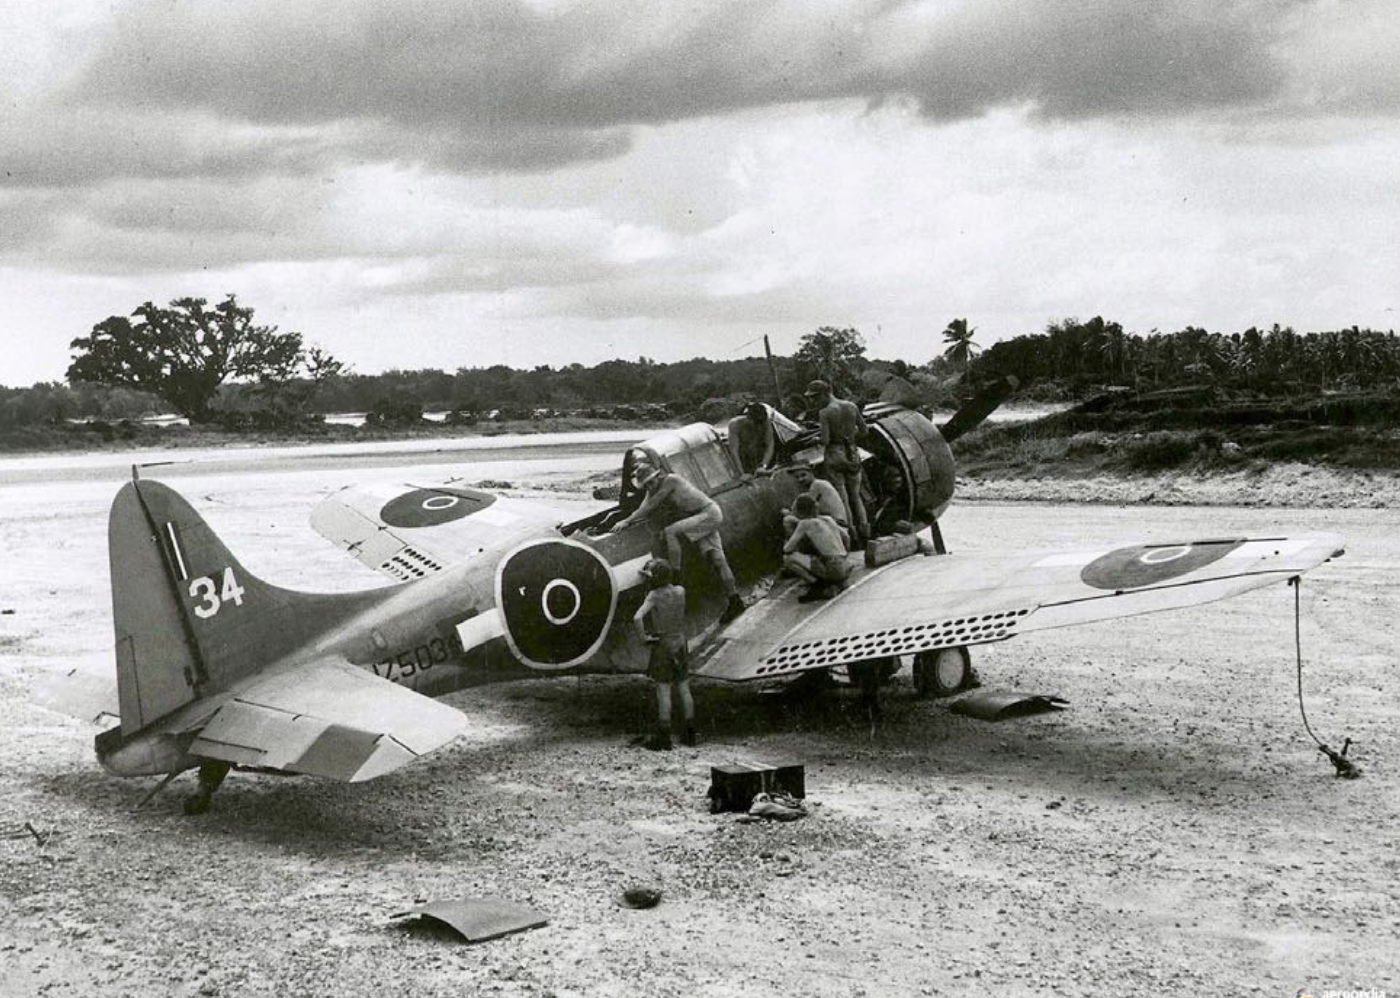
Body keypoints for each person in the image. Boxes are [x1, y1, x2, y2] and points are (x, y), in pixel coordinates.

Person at [610, 456, 746, 623]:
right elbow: (644, 507)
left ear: (657, 476)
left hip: (708, 513)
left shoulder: (671, 480)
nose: (649, 486)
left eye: (651, 482)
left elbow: (651, 505)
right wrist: (627, 520)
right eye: (646, 485)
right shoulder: (652, 489)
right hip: (699, 517)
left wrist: (626, 521)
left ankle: (675, 575)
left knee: (671, 531)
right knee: (718, 560)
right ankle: (735, 599)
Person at [632, 558, 695, 750]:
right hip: (680, 642)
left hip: (663, 644)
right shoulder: (680, 591)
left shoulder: (654, 595)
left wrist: (643, 638)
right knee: (684, 688)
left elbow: (637, 617)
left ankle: (664, 737)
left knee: (663, 691)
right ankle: (690, 734)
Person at [804, 380, 870, 547]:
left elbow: (825, 440)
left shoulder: (825, 412)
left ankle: (852, 536)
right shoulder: (851, 406)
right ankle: (866, 534)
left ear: (826, 393)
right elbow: (865, 430)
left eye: (815, 397)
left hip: (834, 455)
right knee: (856, 497)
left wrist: (816, 439)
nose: (814, 401)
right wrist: (850, 440)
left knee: (843, 499)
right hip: (853, 454)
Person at [783, 493, 851, 602]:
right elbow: (846, 537)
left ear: (799, 511)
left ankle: (819, 587)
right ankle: (839, 582)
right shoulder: (827, 519)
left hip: (833, 567)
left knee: (788, 559)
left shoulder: (805, 524)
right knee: (822, 556)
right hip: (846, 565)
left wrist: (789, 534)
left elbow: (787, 549)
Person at [782, 462, 849, 547]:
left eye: (803, 475)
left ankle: (799, 550)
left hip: (836, 525)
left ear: (811, 473)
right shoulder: (819, 484)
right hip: (833, 523)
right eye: (797, 477)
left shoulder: (817, 485)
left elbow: (803, 511)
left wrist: (788, 512)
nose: (800, 479)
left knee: (788, 520)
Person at [726, 401, 776, 475]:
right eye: (756, 423)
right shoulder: (735, 424)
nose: (758, 427)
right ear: (748, 418)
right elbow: (734, 452)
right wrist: (742, 473)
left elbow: (770, 445)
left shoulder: (766, 422)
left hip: (759, 455)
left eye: (761, 423)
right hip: (744, 458)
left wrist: (763, 465)